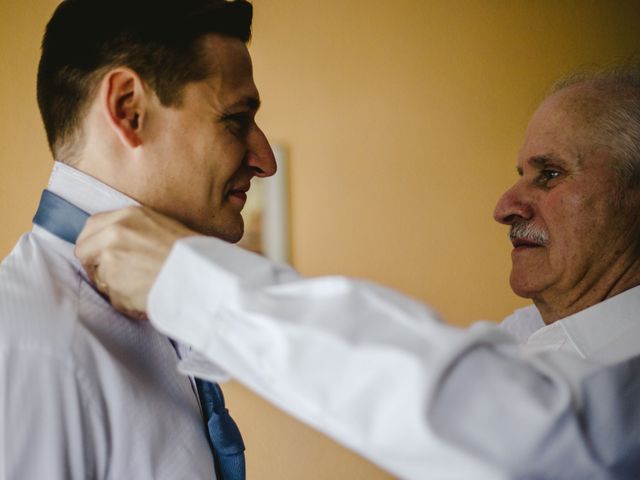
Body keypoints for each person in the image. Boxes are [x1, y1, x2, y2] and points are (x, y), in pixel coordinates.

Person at [76, 65, 640, 479]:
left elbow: (512, 433)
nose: (506, 205)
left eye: (550, 175)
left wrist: (193, 284)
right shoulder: (519, 343)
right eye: (521, 173)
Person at [0, 0, 275, 478]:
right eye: (235, 119)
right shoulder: (31, 349)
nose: (265, 159)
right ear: (128, 109)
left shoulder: (158, 305)